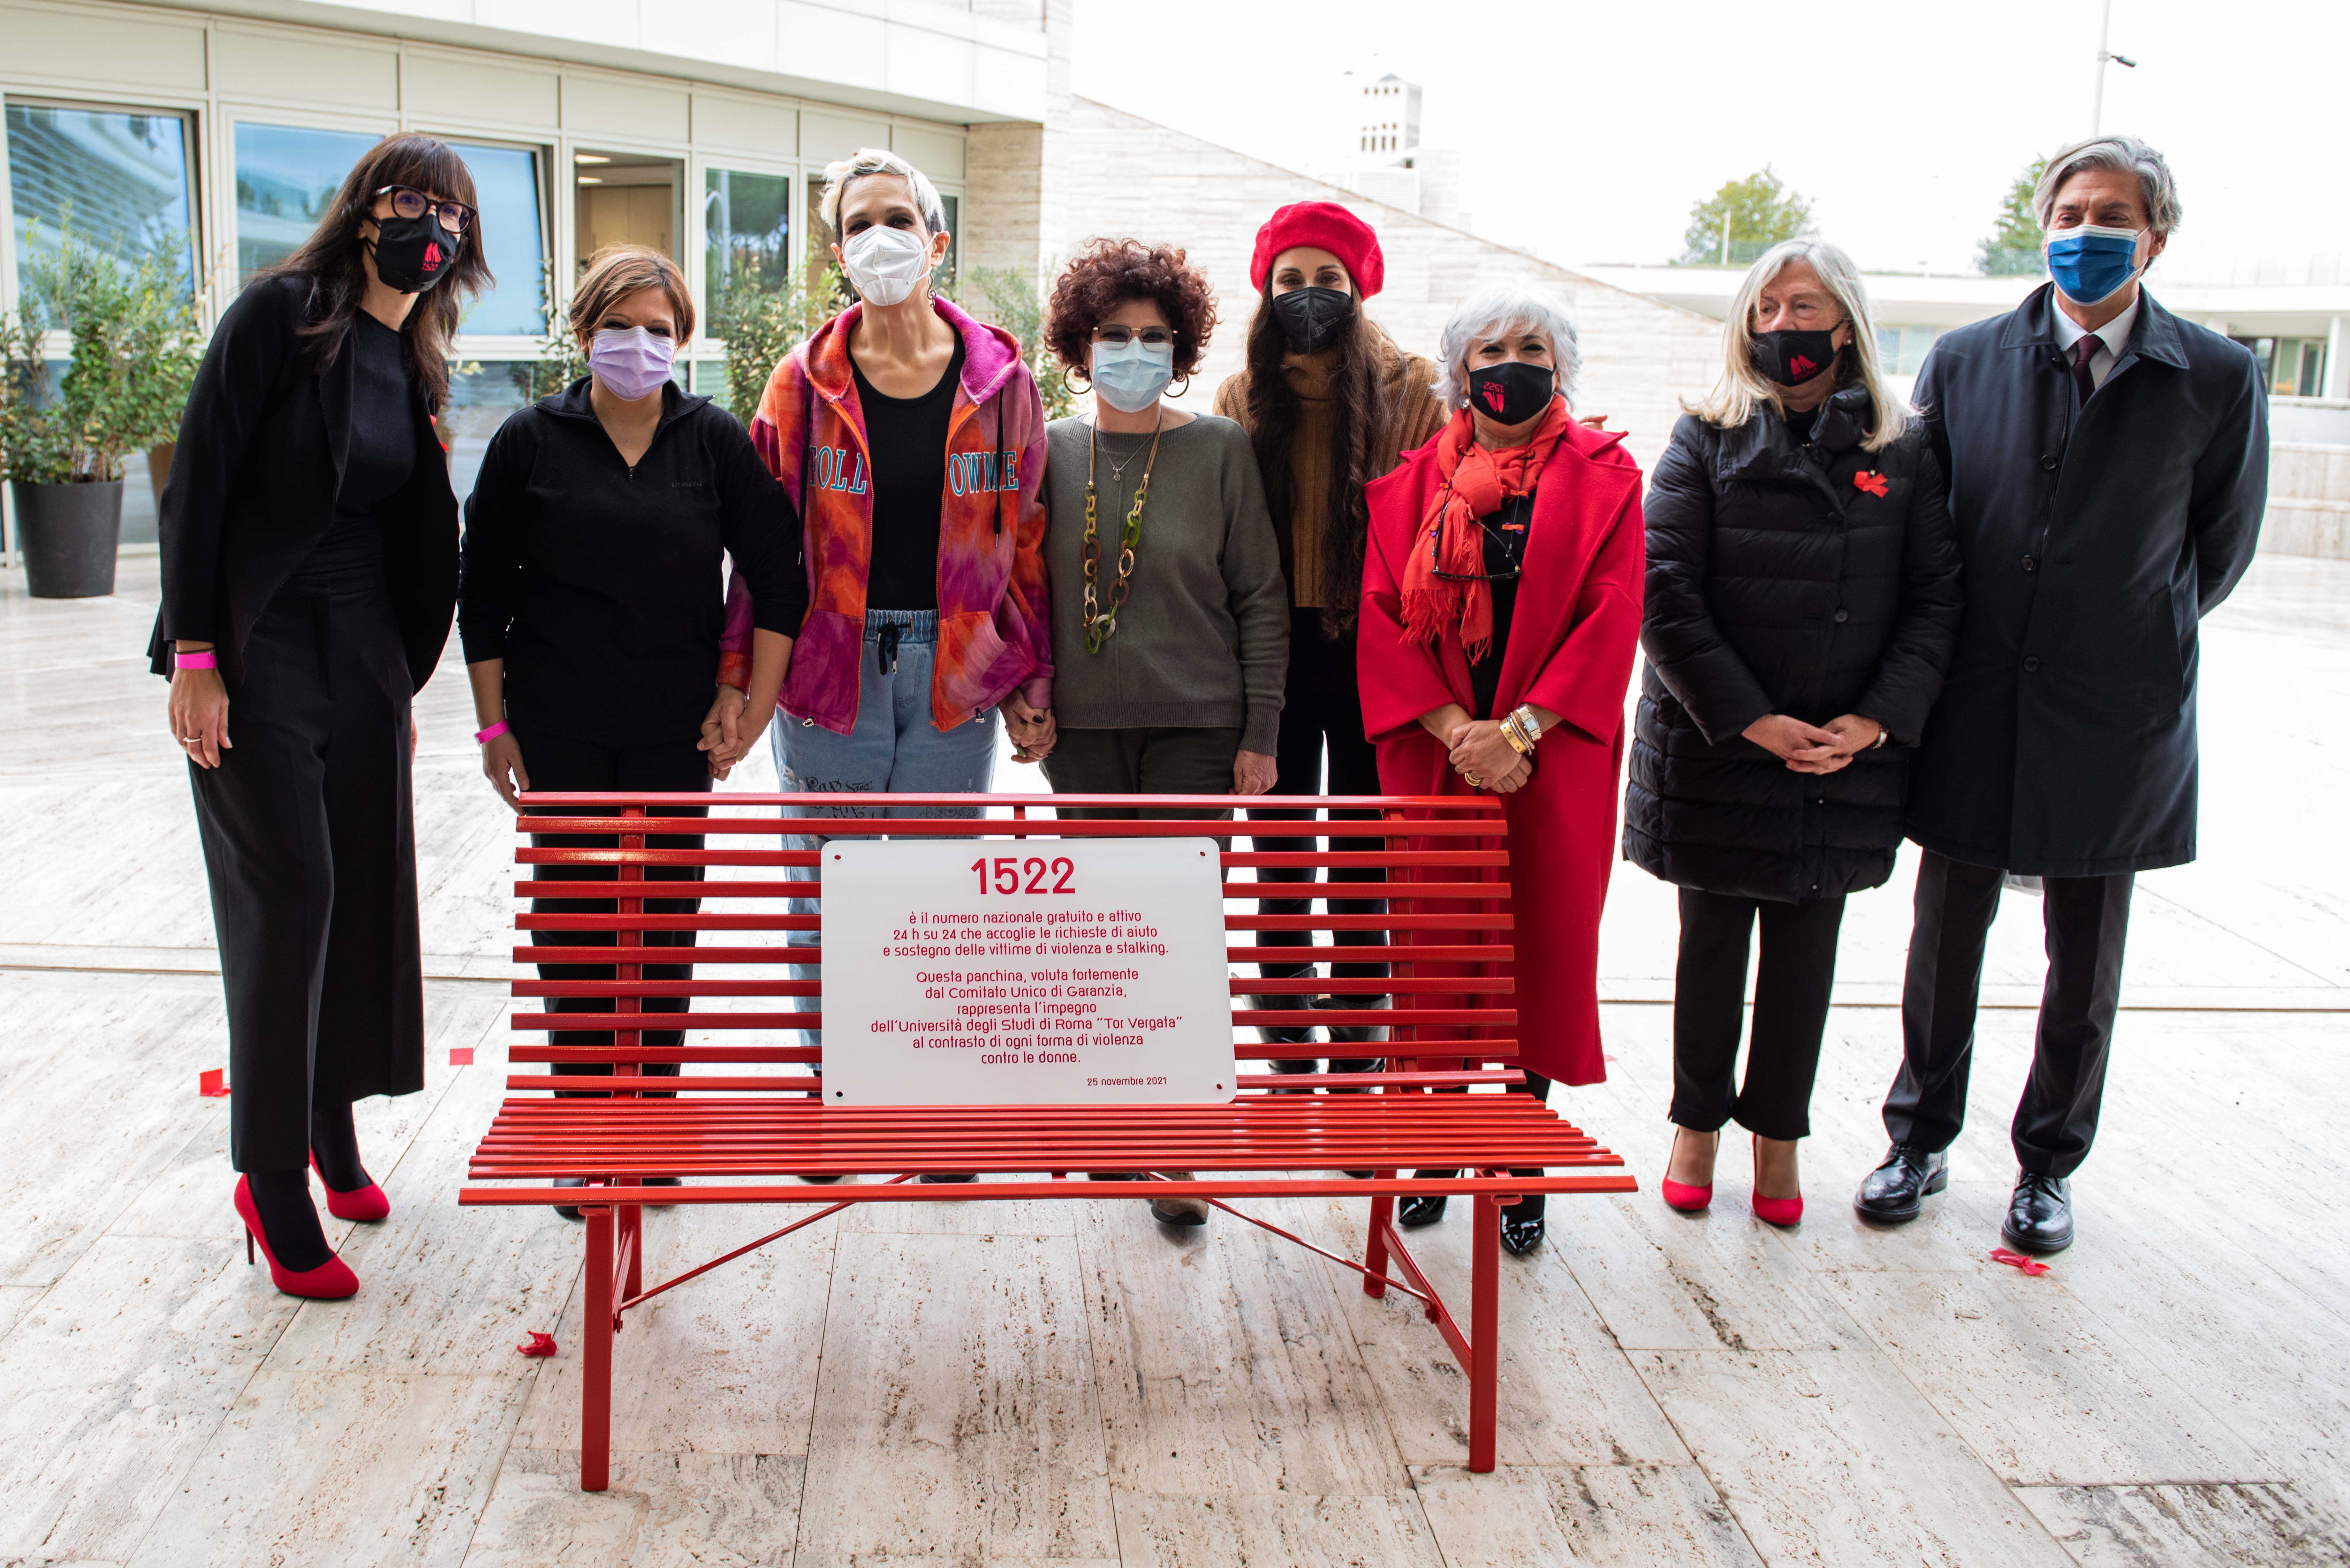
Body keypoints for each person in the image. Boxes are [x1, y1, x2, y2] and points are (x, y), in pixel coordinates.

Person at [1854, 135, 2267, 1254]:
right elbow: (1929, 529)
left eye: (2113, 214)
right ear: (2045, 226)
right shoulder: (1968, 359)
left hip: (2114, 709)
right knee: (1947, 932)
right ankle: (1918, 1138)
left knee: (2085, 955)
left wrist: (2119, 629)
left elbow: (2216, 551)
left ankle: (2048, 1166)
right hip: (1976, 694)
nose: (2087, 232)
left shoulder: (2219, 378)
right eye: (2071, 211)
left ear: (2157, 238)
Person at [149, 134, 489, 1298]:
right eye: (409, 199)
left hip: (359, 653)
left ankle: (330, 1130)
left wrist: (397, 675)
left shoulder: (412, 353)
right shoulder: (277, 317)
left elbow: (406, 526)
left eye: (448, 211)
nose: (426, 223)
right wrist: (196, 654)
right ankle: (268, 1174)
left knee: (360, 888)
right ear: (363, 211)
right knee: (290, 892)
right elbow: (198, 485)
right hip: (254, 640)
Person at [713, 148, 1051, 1180]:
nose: (880, 239)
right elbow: (764, 550)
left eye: (898, 217)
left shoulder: (1000, 379)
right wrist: (739, 679)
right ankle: (833, 1097)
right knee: (826, 889)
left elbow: (1026, 536)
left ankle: (932, 1108)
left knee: (937, 894)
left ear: (937, 238)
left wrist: (1031, 677)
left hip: (956, 668)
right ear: (836, 251)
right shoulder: (802, 381)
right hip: (829, 667)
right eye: (859, 224)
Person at [459, 244, 802, 1217]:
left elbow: (777, 576)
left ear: (683, 342)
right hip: (558, 728)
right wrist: (494, 727)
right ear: (583, 335)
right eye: (620, 328)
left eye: (659, 330)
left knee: (659, 935)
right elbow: (480, 594)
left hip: (673, 734)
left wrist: (754, 706)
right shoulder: (530, 440)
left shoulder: (713, 441)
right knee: (573, 937)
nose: (639, 346)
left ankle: (647, 1129)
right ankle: (582, 1136)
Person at [1626, 240, 1963, 1228]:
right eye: (1767, 309)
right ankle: (1696, 1125)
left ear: (1847, 322)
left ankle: (1780, 1134)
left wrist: (1876, 720)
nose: (1785, 329)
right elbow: (1666, 593)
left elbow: (1937, 599)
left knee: (1808, 955)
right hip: (1722, 743)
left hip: (1842, 752)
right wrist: (1752, 719)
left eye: (1805, 307)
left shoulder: (1904, 449)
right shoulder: (1704, 435)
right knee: (1712, 949)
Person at [1356, 286, 1645, 1254]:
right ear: (1460, 372)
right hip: (1438, 755)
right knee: (1435, 958)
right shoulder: (1404, 489)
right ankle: (1439, 1149)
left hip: (1548, 759)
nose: (1509, 363)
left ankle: (1518, 1164)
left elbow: (1613, 619)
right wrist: (1457, 732)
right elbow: (1380, 624)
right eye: (1490, 348)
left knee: (1539, 953)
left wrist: (1517, 733)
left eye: (1531, 347)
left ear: (1559, 368)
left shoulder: (1610, 479)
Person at [1037, 237, 1289, 1229]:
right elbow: (1017, 587)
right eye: (1114, 335)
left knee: (1177, 934)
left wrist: (1260, 730)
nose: (1133, 350)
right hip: (1082, 733)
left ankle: (1178, 1143)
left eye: (1153, 336)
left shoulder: (1219, 449)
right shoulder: (1046, 448)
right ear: (1080, 345)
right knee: (1105, 932)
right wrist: (1023, 695)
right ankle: (1115, 1120)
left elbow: (1261, 599)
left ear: (1178, 349)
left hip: (1198, 723)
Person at [1213, 202, 1446, 1084]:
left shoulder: (1414, 389)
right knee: (1278, 845)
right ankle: (1284, 1026)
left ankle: (1356, 1037)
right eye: (1290, 281)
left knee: (1359, 849)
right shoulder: (1243, 396)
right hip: (1272, 652)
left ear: (1360, 287)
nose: (1308, 296)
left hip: (1377, 652)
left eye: (1328, 280)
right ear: (1267, 292)